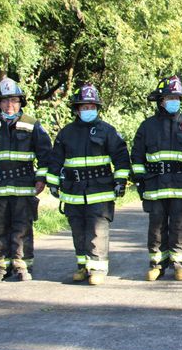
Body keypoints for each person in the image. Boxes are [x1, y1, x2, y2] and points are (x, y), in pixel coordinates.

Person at [0, 77, 52, 282]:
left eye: (14, 100)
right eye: (5, 101)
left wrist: (41, 178)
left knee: (22, 228)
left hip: (24, 185)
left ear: (21, 102)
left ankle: (22, 266)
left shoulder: (32, 125)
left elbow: (46, 155)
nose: (9, 105)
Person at [47, 84, 130, 285]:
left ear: (97, 108)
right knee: (78, 229)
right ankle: (83, 266)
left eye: (92, 106)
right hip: (73, 191)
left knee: (97, 230)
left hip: (100, 190)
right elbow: (55, 160)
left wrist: (120, 181)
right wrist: (53, 182)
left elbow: (121, 157)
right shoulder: (66, 133)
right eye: (84, 107)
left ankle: (98, 268)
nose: (88, 110)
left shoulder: (108, 131)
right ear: (77, 109)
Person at [131, 76, 182, 282]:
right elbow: (137, 155)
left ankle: (180, 265)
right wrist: (139, 180)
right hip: (154, 185)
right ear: (161, 100)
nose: (174, 100)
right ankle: (157, 265)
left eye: (177, 97)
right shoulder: (147, 126)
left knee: (180, 226)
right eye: (170, 97)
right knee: (156, 227)